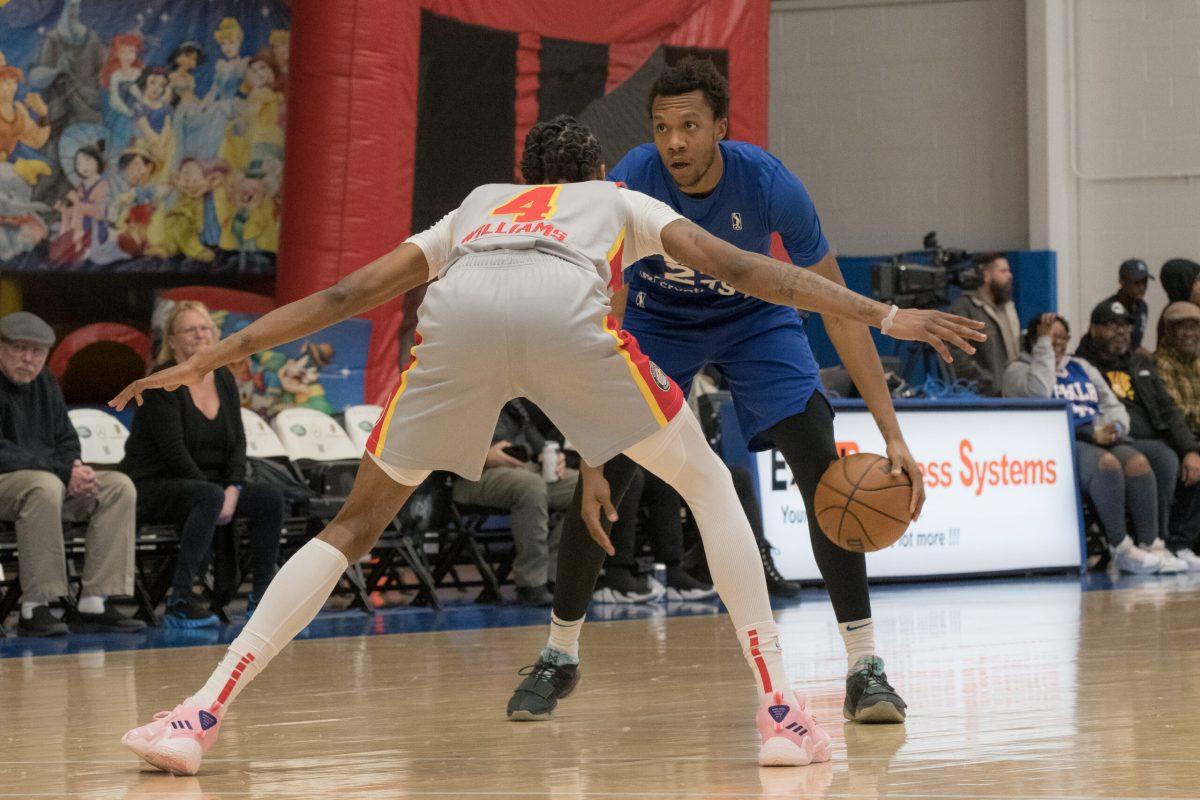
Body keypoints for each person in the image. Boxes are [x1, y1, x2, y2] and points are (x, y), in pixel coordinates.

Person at [114, 115, 983, 776]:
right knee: (713, 489)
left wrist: (214, 353)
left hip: (461, 317)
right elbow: (746, 271)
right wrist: (881, 312)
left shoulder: (474, 209)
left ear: (521, 176)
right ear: (596, 173)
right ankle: (781, 715)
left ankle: (197, 714)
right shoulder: (619, 200)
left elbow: (344, 294)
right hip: (568, 316)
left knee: (349, 530)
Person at [508, 58, 924, 728]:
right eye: (663, 127)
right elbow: (603, 315)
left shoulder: (768, 184)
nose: (675, 142)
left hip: (755, 319)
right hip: (656, 319)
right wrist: (592, 447)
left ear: (720, 128)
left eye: (690, 126)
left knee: (821, 465)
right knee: (606, 474)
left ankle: (865, 667)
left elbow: (842, 308)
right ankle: (559, 654)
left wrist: (892, 434)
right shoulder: (631, 183)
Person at [120, 301, 285, 627]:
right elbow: (173, 451)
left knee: (270, 497)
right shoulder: (161, 380)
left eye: (205, 328)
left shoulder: (223, 377)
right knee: (207, 497)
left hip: (207, 486)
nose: (200, 334)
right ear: (172, 339)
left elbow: (238, 442)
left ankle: (262, 597)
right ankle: (180, 599)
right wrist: (217, 493)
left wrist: (234, 488)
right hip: (155, 483)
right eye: (190, 329)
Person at [0, 311, 143, 636]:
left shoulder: (45, 380)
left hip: (46, 480)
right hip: (14, 482)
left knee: (117, 486)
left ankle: (94, 601)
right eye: (19, 348)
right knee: (45, 485)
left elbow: (66, 439)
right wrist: (62, 471)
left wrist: (74, 470)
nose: (28, 358)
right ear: (1, 347)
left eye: (37, 352)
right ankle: (36, 605)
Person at [1003, 312, 1163, 573]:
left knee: (1138, 463)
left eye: (1063, 338)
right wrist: (1044, 350)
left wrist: (1116, 426)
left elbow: (1111, 403)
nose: (1058, 344)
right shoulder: (1018, 371)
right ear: (1035, 339)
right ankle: (1120, 547)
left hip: (1097, 435)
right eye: (1051, 337)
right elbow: (1041, 394)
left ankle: (1152, 545)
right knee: (1107, 464)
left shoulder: (1081, 366)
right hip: (1057, 445)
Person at [1074, 299, 1193, 573]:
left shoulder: (1141, 362)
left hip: (1150, 438)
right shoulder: (1082, 365)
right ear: (1093, 329)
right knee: (1148, 459)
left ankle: (1158, 543)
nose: (1120, 331)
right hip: (1109, 440)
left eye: (1125, 325)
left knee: (1169, 457)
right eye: (1111, 325)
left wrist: (1190, 448)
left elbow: (1167, 409)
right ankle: (1135, 546)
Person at [452, 399, 579, 607]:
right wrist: (482, 457)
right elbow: (436, 444)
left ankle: (557, 577)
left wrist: (552, 455)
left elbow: (530, 432)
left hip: (525, 465)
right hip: (474, 473)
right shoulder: (453, 391)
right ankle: (531, 584)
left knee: (581, 488)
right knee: (531, 486)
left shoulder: (510, 395)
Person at [1152, 301, 1200, 570]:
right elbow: (1174, 413)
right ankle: (1179, 541)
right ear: (1169, 331)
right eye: (1183, 327)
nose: (1191, 333)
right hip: (1174, 436)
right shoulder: (1161, 364)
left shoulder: (1197, 363)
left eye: (1195, 326)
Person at [947, 252, 1020, 396]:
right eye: (1003, 271)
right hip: (984, 396)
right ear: (986, 275)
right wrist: (988, 382)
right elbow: (957, 355)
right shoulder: (964, 308)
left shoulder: (1008, 308)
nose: (1010, 275)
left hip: (1011, 393)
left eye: (1009, 271)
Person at [1099, 259, 1153, 354]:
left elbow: (1134, 345)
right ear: (1122, 282)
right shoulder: (1107, 310)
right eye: (1136, 282)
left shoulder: (1142, 307)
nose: (1142, 287)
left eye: (1144, 282)